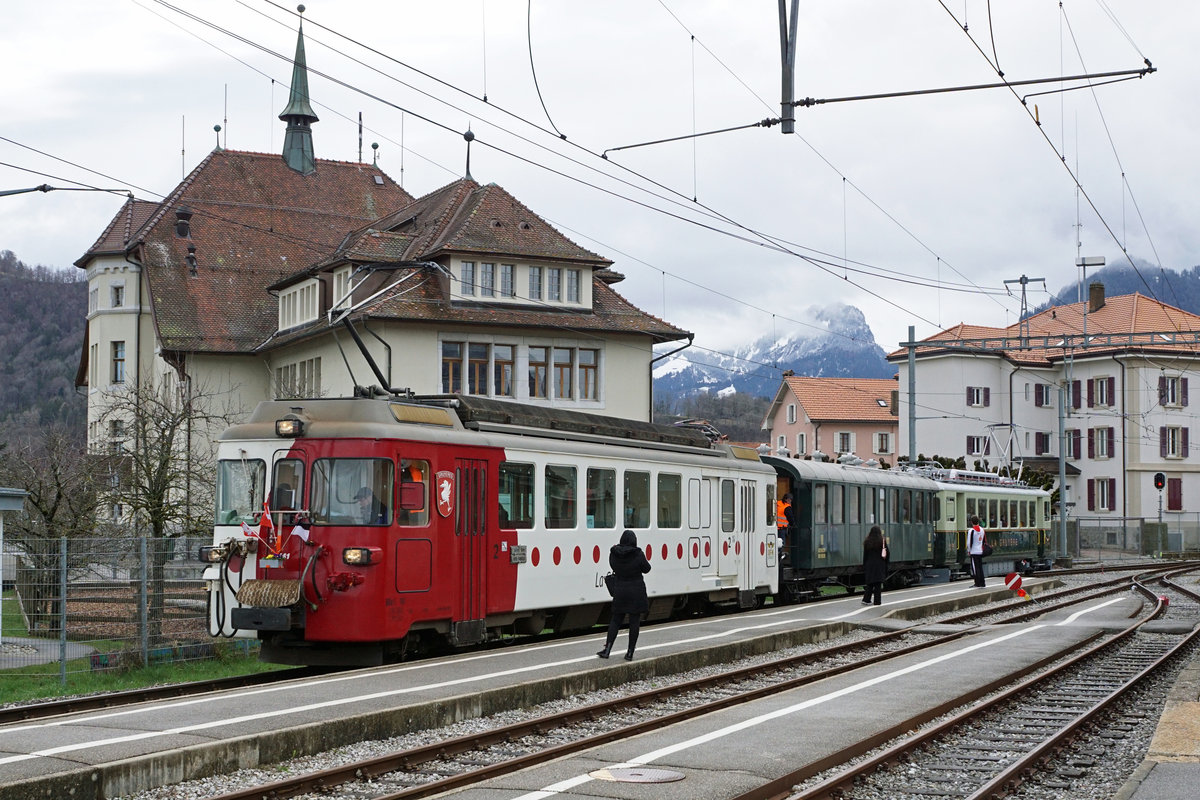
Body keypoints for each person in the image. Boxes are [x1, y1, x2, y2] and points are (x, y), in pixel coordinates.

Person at [598, 529, 652, 661]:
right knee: (634, 621)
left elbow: (613, 566)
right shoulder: (637, 553)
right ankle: (629, 653)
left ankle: (607, 650)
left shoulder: (614, 553)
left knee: (616, 620)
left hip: (620, 590)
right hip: (636, 591)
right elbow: (647, 569)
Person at [862, 525, 888, 606]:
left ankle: (866, 599)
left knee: (870, 583)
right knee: (878, 584)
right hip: (879, 564)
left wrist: (864, 565)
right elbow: (887, 553)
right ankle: (877, 601)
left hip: (869, 564)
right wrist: (886, 563)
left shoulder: (867, 541)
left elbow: (865, 555)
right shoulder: (882, 541)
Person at [967, 515, 987, 587]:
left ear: (971, 522)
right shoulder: (982, 530)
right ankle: (982, 582)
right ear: (978, 521)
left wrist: (969, 550)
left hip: (973, 552)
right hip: (980, 551)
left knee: (975, 568)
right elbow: (984, 540)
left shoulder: (971, 531)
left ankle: (977, 583)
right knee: (980, 567)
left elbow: (969, 542)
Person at [777, 492, 795, 560]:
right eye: (790, 499)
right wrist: (792, 524)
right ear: (786, 499)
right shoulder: (787, 507)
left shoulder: (777, 503)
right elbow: (791, 518)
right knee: (781, 545)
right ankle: (779, 559)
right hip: (782, 529)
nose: (790, 501)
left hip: (775, 528)